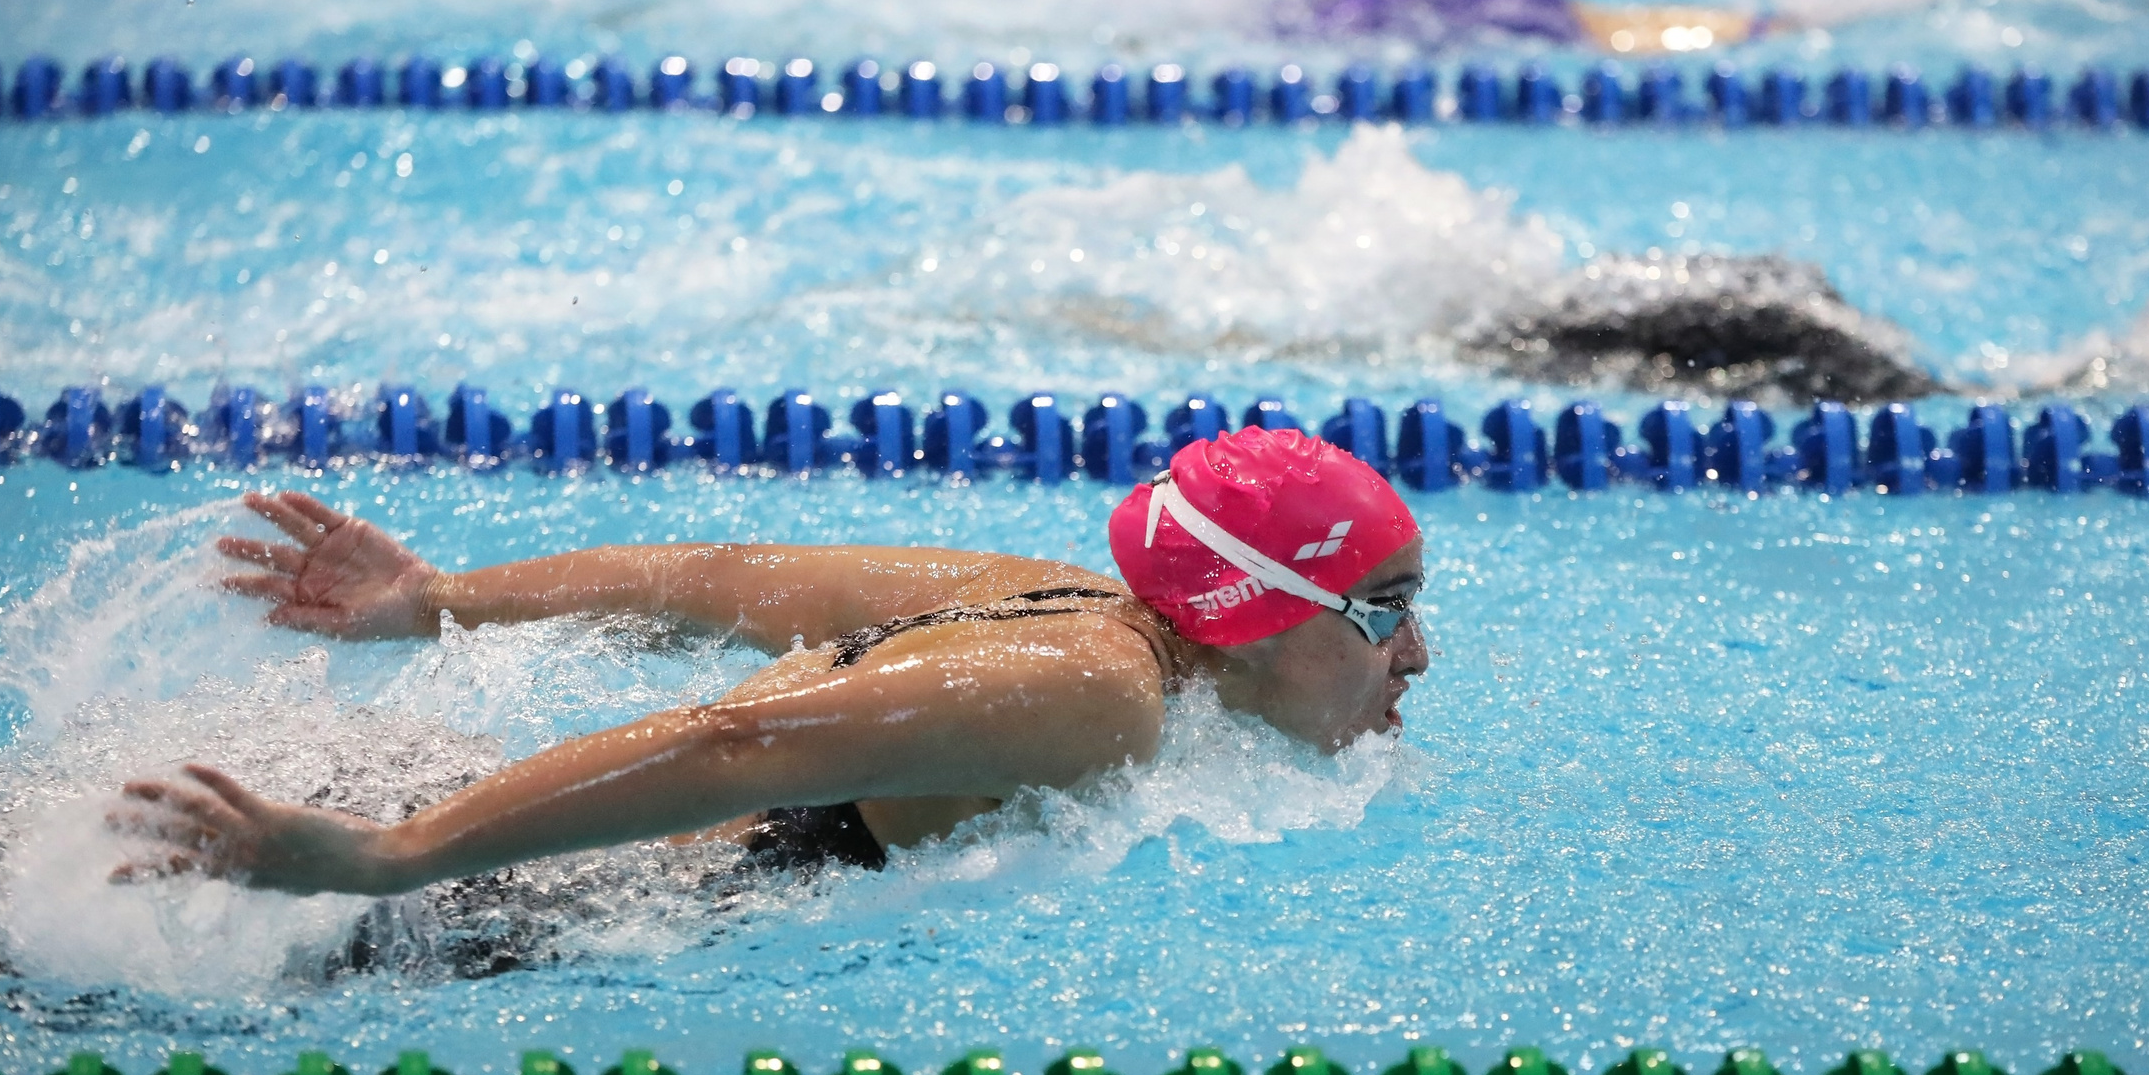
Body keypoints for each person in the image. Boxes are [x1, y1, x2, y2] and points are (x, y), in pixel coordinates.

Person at [118, 425, 1429, 895]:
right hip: (521, 897)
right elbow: (738, 743)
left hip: (452, 800)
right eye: (1381, 610)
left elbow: (714, 580)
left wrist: (438, 601)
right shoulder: (1094, 693)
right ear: (1253, 612)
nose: (1414, 655)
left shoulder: (1069, 603)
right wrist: (391, 860)